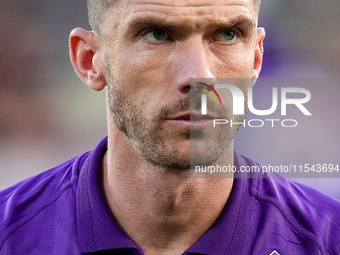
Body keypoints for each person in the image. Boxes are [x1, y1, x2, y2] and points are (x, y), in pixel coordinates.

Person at [1, 0, 339, 254]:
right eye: (157, 34)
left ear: (255, 59)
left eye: (227, 34)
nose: (199, 77)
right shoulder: (11, 234)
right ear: (90, 60)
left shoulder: (327, 238)